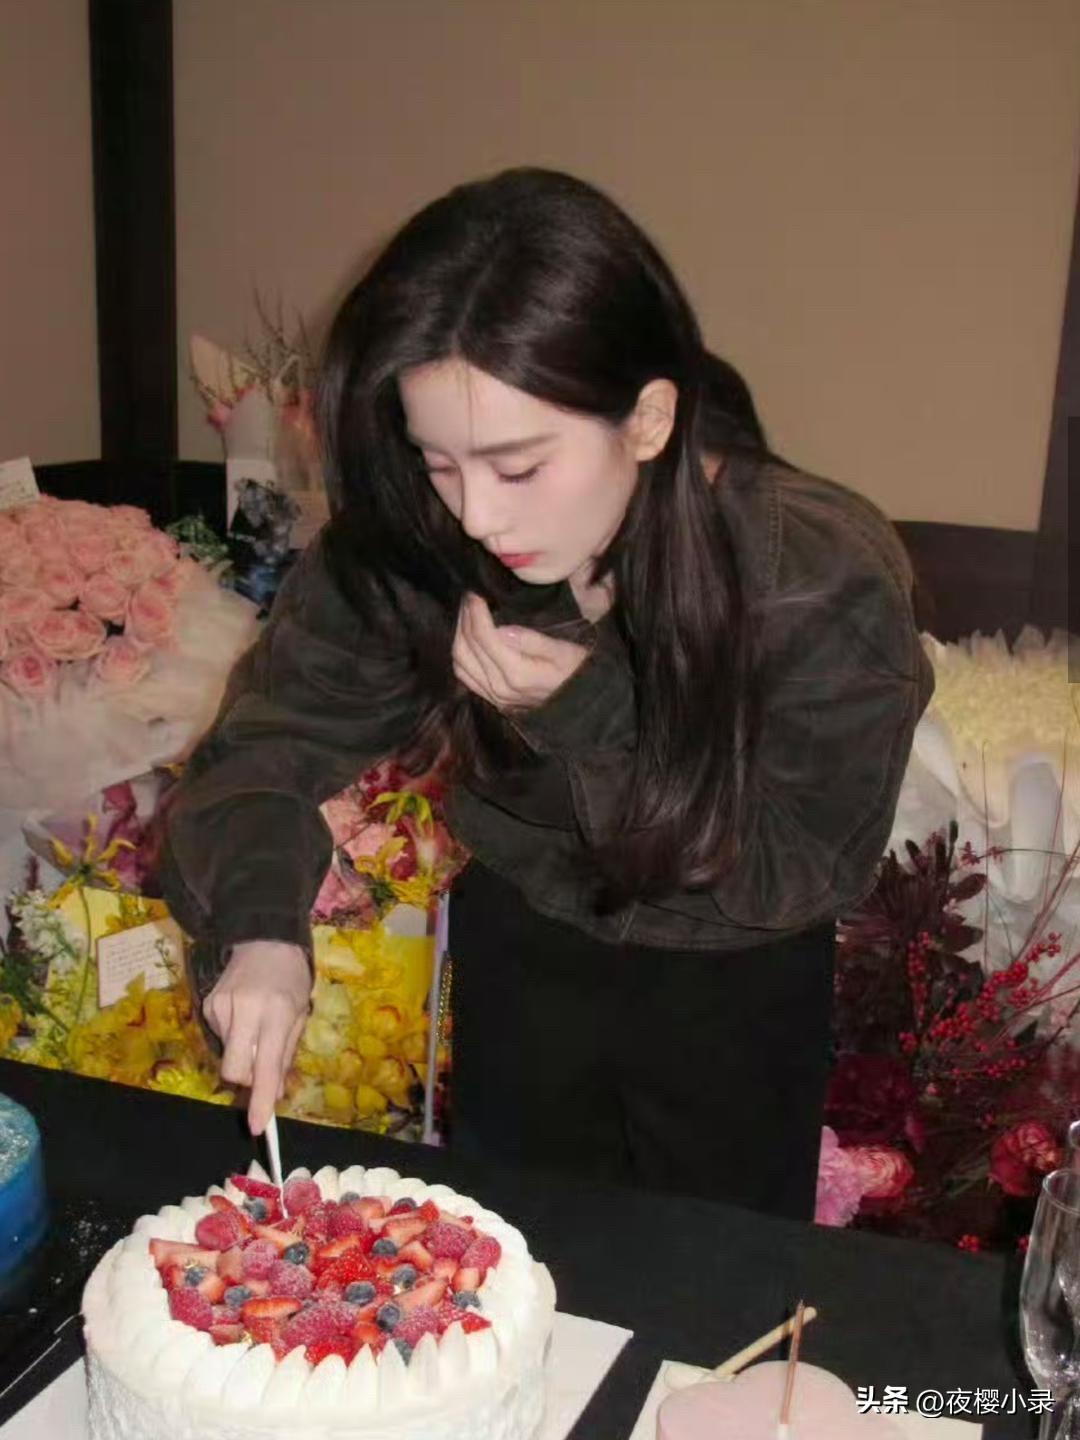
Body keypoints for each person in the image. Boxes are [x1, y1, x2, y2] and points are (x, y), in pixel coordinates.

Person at [156, 166, 934, 1221]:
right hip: (521, 950)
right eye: (438, 462)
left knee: (716, 1287)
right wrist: (260, 932)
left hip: (732, 985)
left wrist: (590, 716)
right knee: (511, 1256)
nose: (475, 516)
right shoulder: (421, 534)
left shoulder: (812, 572)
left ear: (649, 418)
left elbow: (798, 866)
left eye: (518, 467)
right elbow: (267, 747)